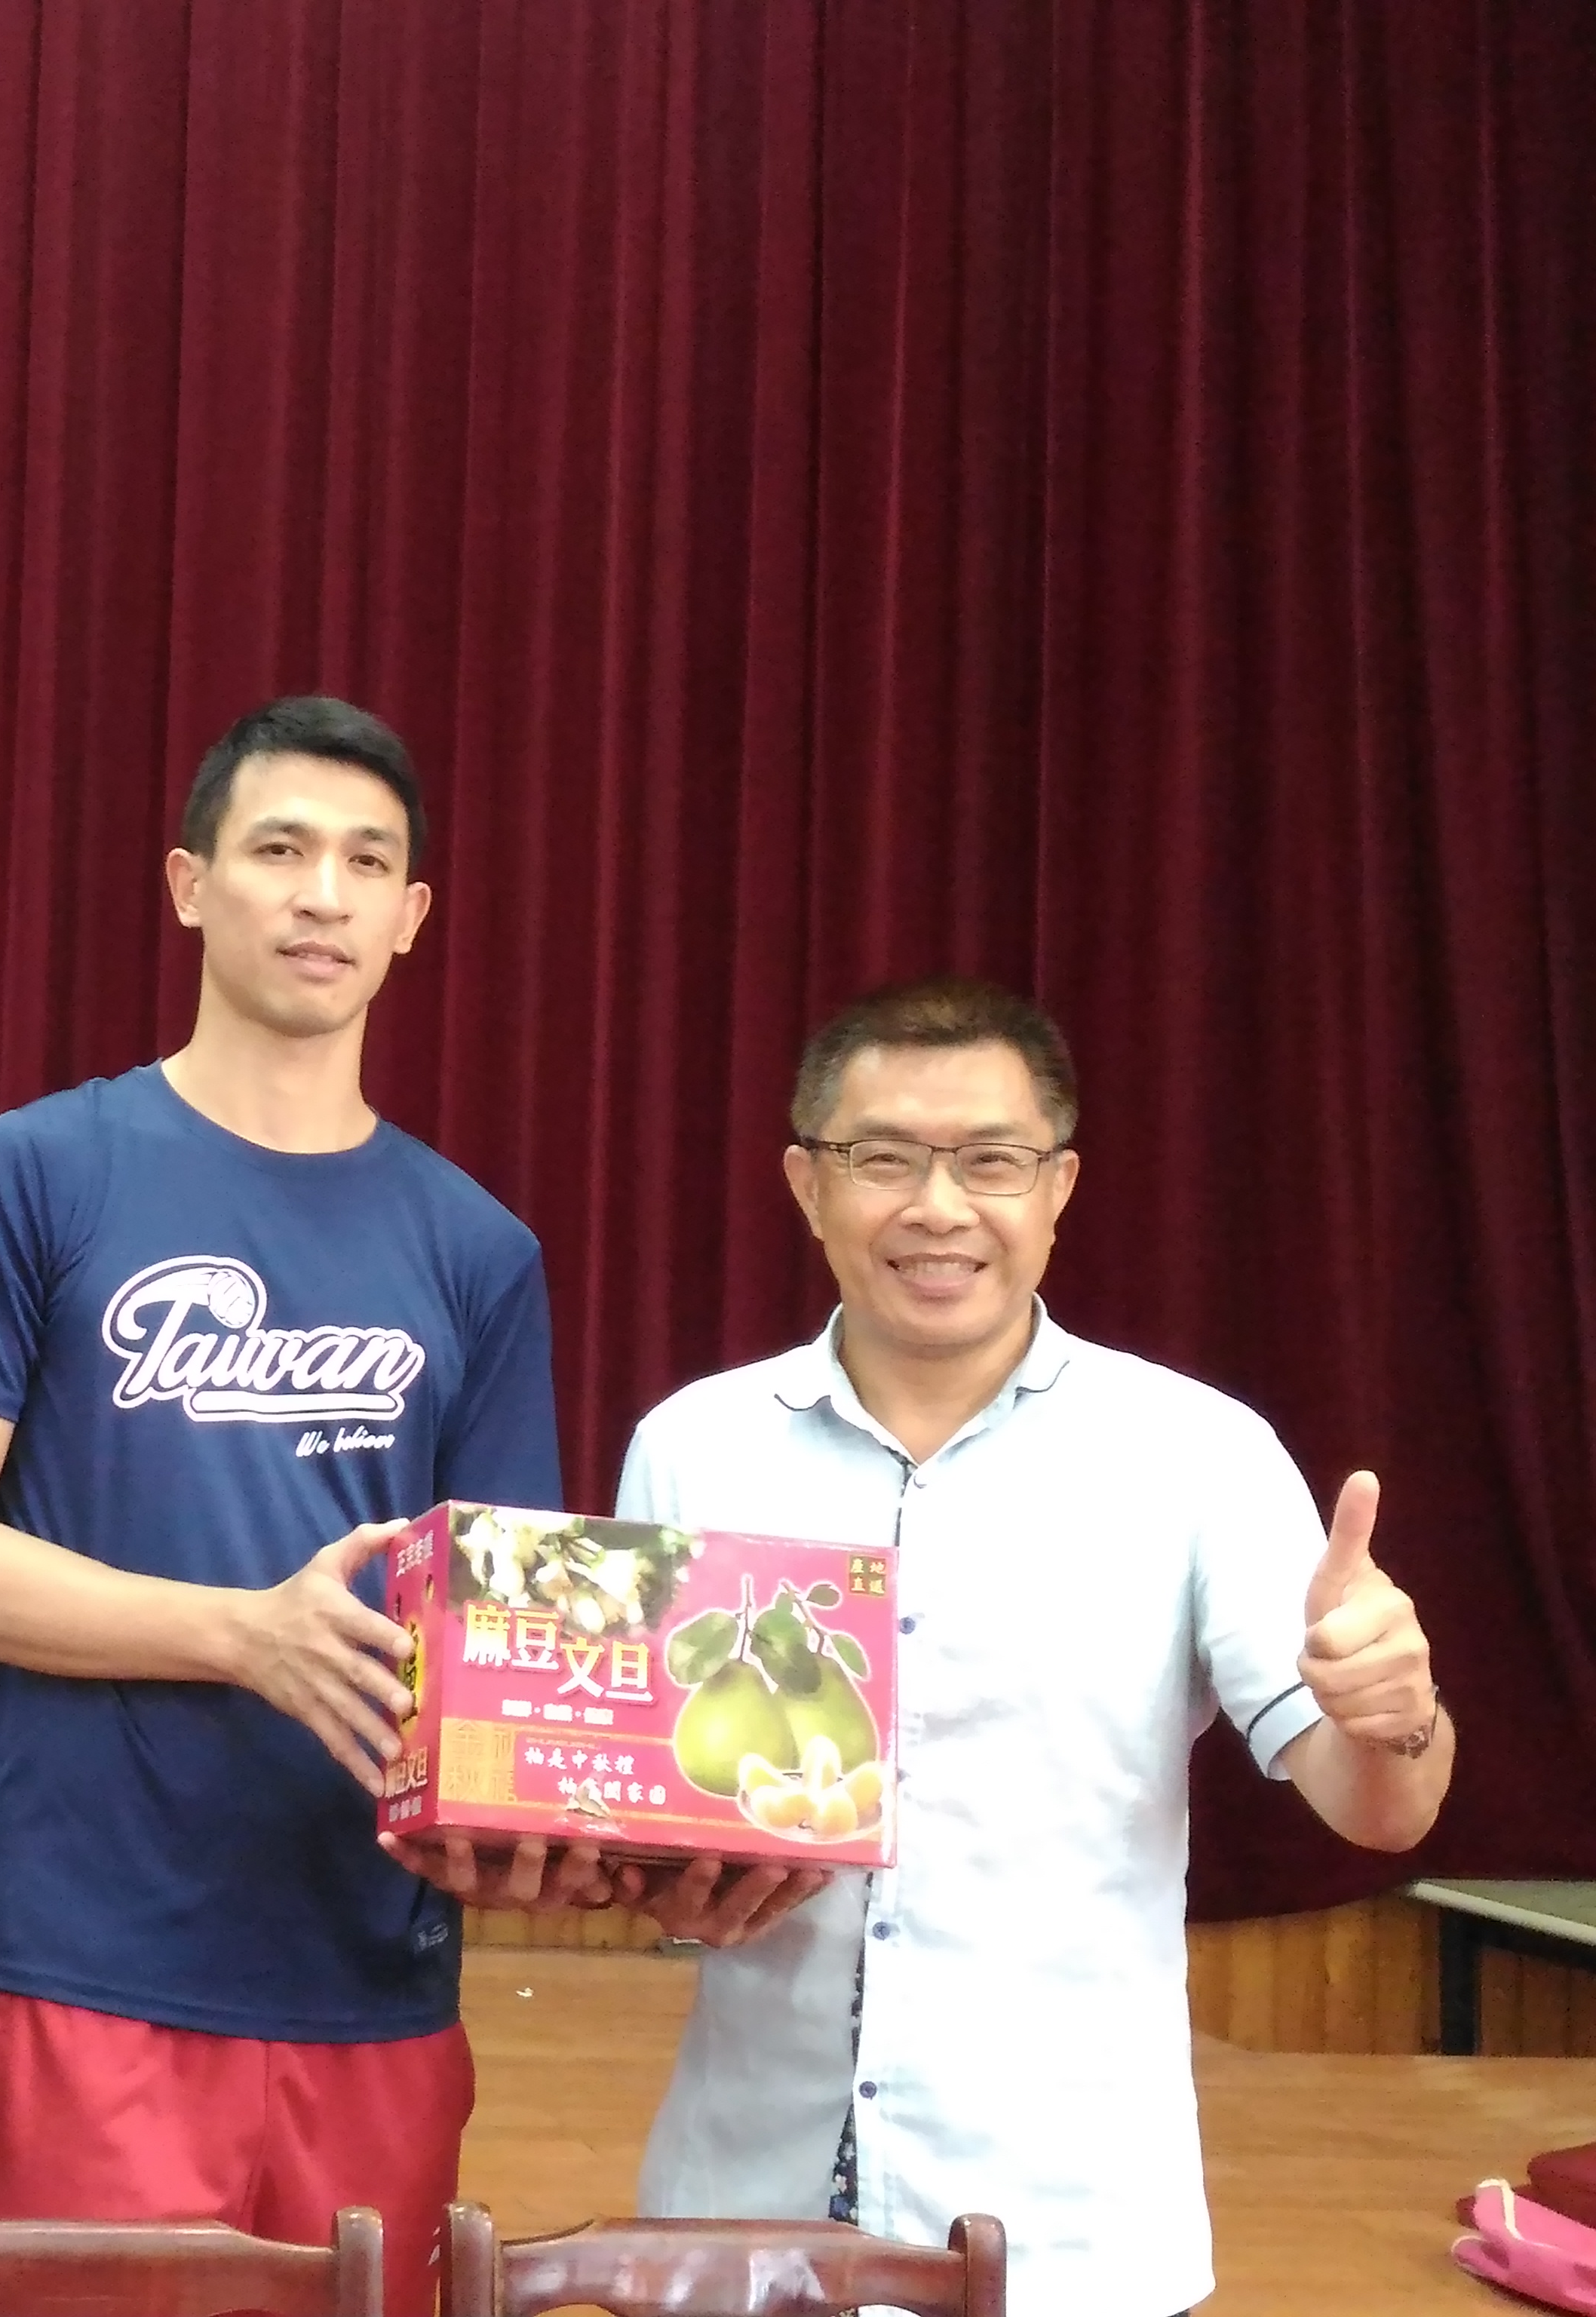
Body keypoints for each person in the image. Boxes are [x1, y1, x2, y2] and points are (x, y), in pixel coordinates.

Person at [0, 696, 565, 2313]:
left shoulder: (478, 1250)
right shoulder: (32, 1175)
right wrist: (242, 1636)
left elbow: (503, 1637)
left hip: (369, 1976)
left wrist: (556, 1832)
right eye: (278, 850)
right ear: (187, 884)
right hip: (89, 1965)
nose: (321, 895)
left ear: (410, 917)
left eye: (364, 864)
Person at [609, 976, 1447, 2317]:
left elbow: (1380, 1808)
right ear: (807, 1185)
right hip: (740, 2222)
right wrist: (661, 1891)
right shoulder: (694, 1447)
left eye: (992, 1161)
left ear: (1058, 1187)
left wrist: (1395, 1713)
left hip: (1071, 2238)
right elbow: (652, 1815)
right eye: (884, 1158)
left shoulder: (1195, 1453)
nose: (939, 1207)